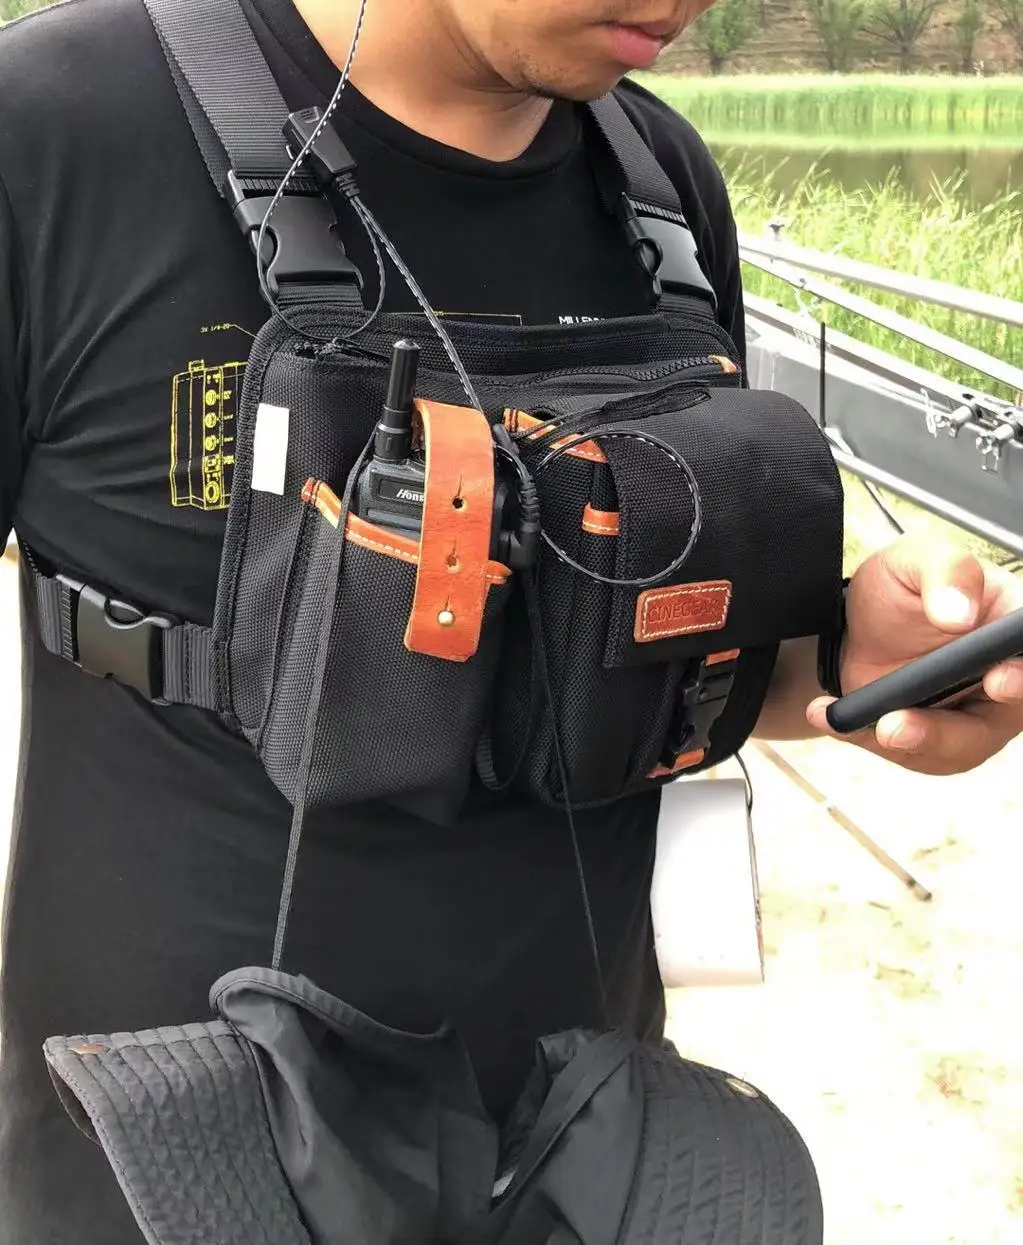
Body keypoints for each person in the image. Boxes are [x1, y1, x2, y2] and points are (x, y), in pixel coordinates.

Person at [1, 1, 1021, 1241]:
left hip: (580, 1144)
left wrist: (858, 663)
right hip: (170, 1160)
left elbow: (664, 661)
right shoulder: (52, 128)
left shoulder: (660, 183)